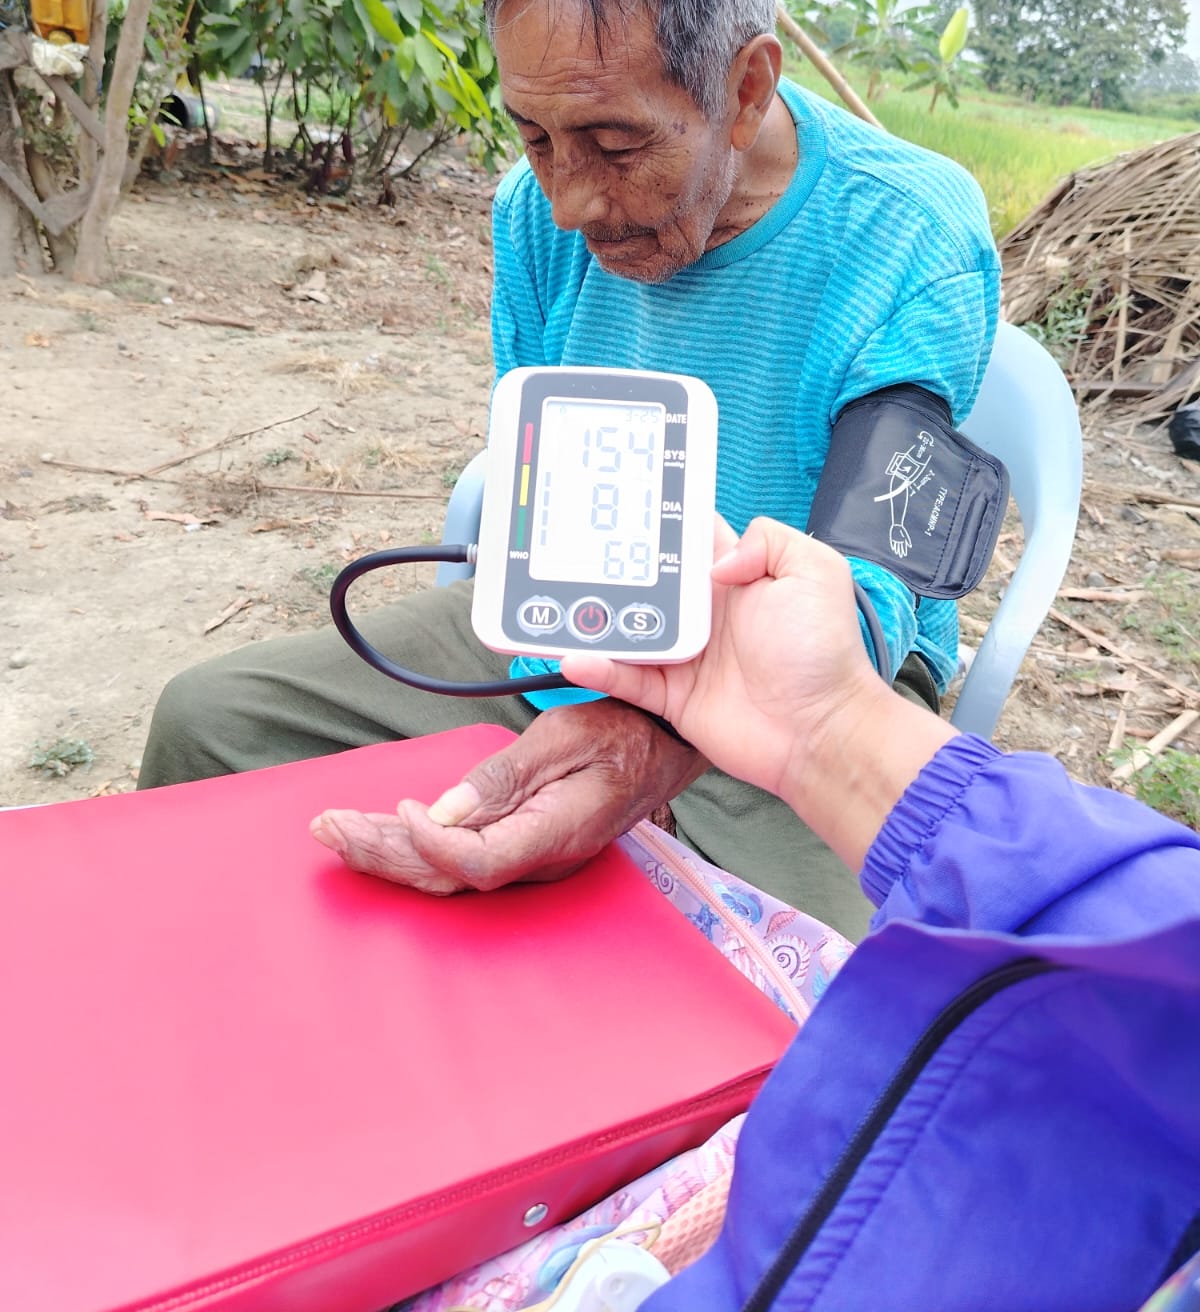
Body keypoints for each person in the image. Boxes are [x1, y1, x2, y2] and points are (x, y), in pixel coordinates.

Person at [139, 0, 999, 939]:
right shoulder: (530, 215)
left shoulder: (910, 230)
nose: (569, 203)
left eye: (615, 143)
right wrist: (594, 686)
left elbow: (876, 576)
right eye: (536, 138)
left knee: (830, 983)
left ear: (745, 88)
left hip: (818, 686)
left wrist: (659, 738)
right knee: (208, 722)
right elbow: (541, 493)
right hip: (577, 623)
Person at [346, 515, 1199, 1311]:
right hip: (661, 649)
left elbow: (898, 525)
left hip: (835, 648)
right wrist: (823, 728)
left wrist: (712, 728)